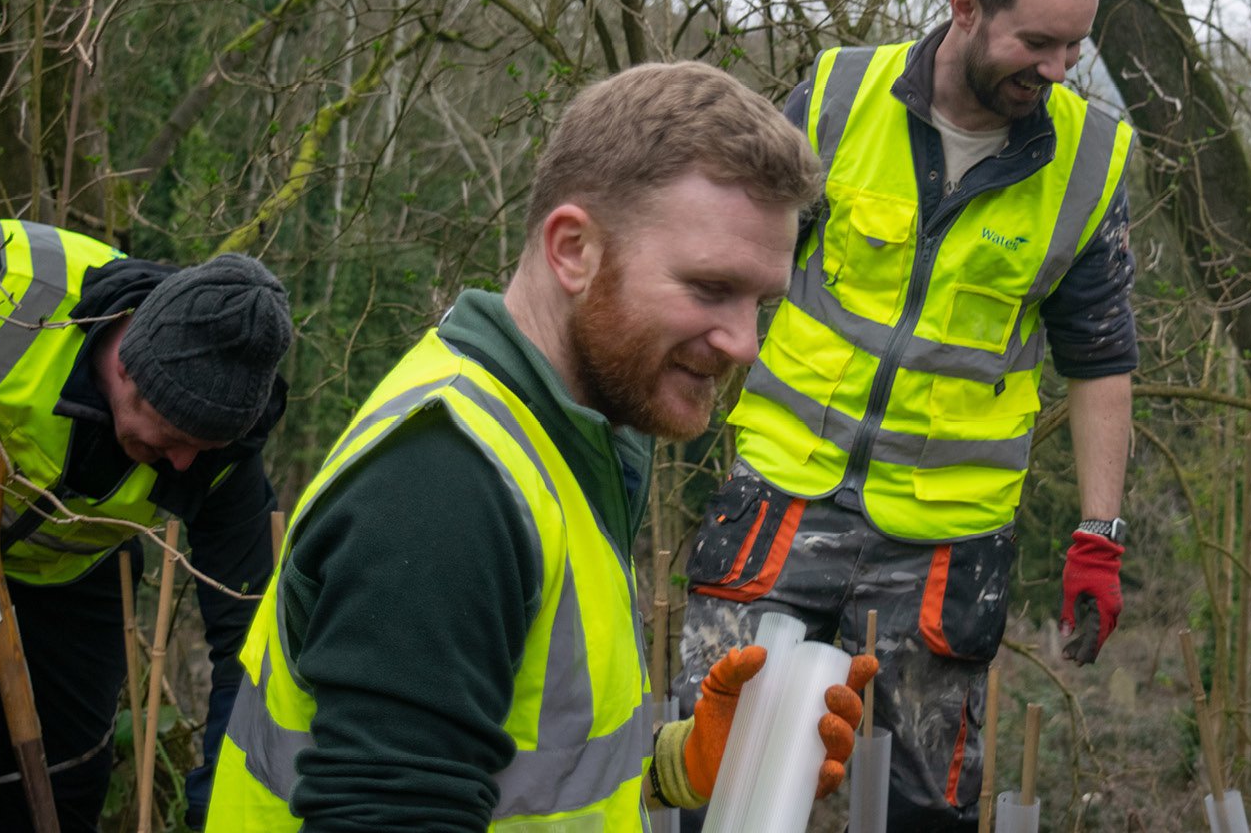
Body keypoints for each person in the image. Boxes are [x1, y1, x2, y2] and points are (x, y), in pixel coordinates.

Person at [206, 61, 877, 830]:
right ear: (572, 250)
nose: (744, 343)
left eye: (760, 302)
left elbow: (516, 778)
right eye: (708, 288)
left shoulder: (570, 441)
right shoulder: (447, 487)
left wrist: (677, 766)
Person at [675, 0, 1137, 831]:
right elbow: (724, 258)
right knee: (720, 787)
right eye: (1037, 42)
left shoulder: (1092, 158)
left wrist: (1099, 531)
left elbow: (1101, 362)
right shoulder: (838, 95)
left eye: (1075, 49)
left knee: (925, 813)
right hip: (780, 497)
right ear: (965, 6)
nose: (1054, 71)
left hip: (945, 541)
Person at [0, 224, 291, 831]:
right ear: (127, 369)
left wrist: (218, 809)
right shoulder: (12, 284)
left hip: (74, 574)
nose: (181, 465)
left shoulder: (224, 456)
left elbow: (245, 646)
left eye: (203, 448)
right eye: (172, 439)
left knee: (66, 789)